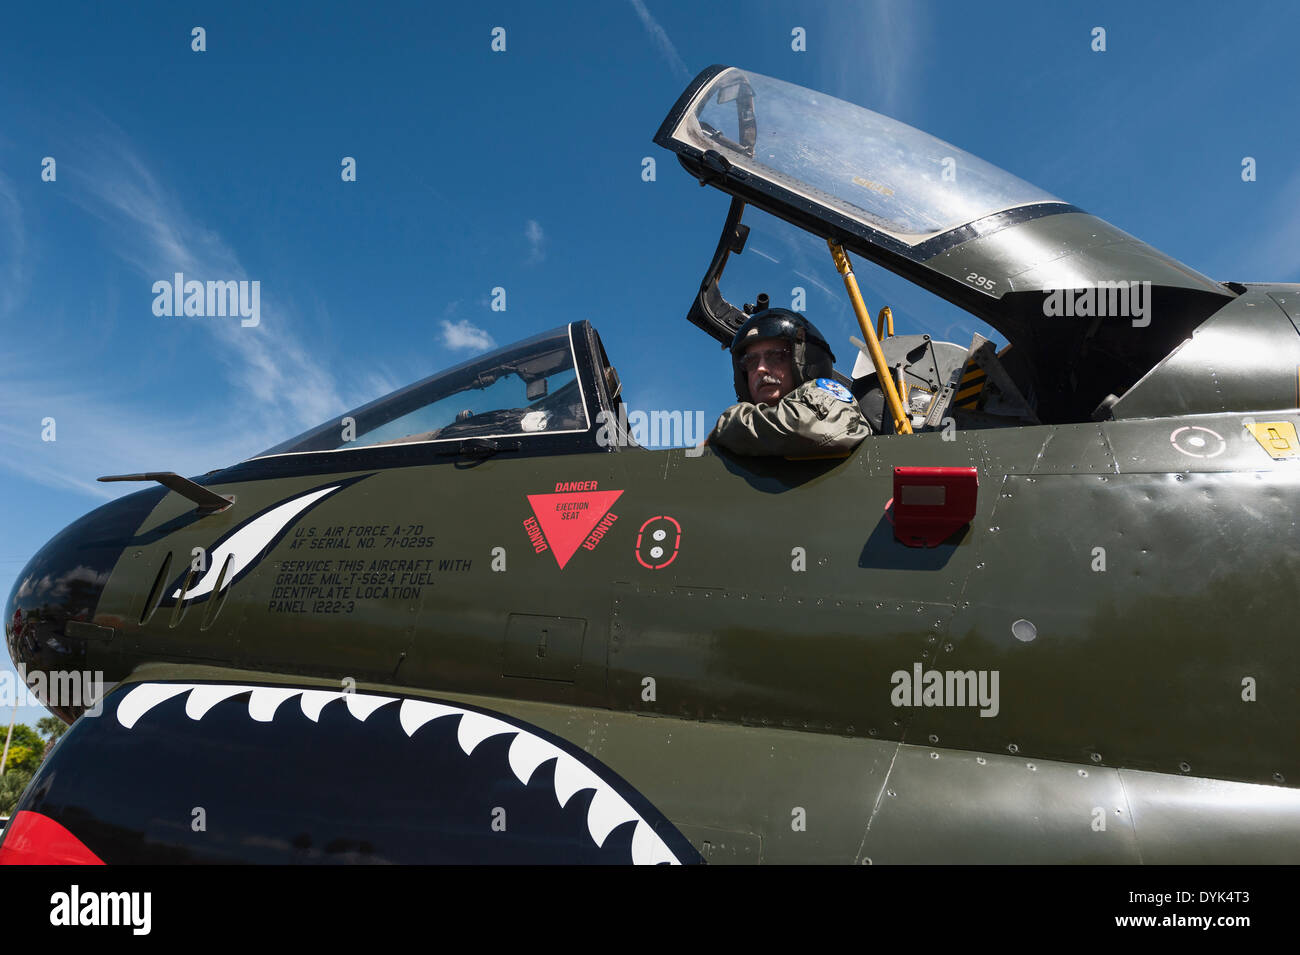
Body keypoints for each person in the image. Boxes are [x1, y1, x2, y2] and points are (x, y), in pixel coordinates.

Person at [708, 308, 871, 456]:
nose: (760, 369)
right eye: (751, 361)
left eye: (775, 356)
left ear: (804, 361)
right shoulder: (744, 442)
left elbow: (803, 426)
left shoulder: (829, 396)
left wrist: (727, 424)